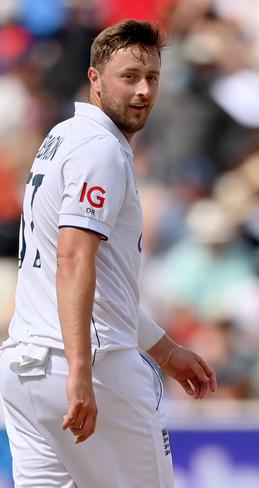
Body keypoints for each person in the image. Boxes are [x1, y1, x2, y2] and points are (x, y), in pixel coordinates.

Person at [0, 20, 217, 487]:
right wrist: (79, 371)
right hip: (87, 366)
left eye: (152, 78)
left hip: (23, 367)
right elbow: (74, 259)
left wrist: (165, 350)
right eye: (129, 76)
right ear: (95, 78)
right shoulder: (101, 149)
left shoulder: (62, 137)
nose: (143, 91)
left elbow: (98, 281)